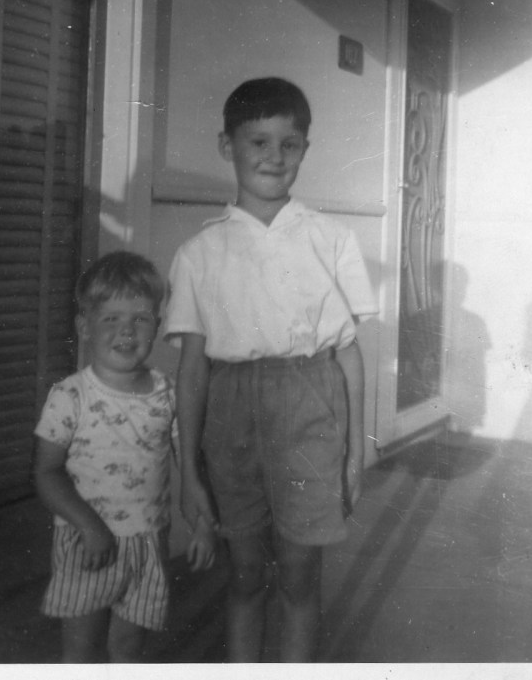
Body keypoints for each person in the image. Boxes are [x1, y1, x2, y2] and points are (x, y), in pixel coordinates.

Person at [164, 77, 374, 662]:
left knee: (301, 576)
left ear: (305, 149)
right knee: (244, 574)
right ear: (226, 146)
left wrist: (356, 450)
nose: (274, 157)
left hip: (310, 405)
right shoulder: (199, 254)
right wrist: (188, 473)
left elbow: (348, 353)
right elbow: (192, 372)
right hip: (230, 414)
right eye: (258, 142)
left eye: (289, 144)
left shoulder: (331, 238)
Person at [34, 251, 215, 663]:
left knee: (129, 649)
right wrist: (89, 525)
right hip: (87, 540)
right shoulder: (70, 396)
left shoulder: (167, 393)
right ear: (84, 326)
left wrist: (204, 525)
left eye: (141, 318)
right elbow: (46, 473)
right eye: (111, 318)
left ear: (158, 326)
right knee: (81, 651)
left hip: (149, 543)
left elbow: (190, 464)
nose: (127, 331)